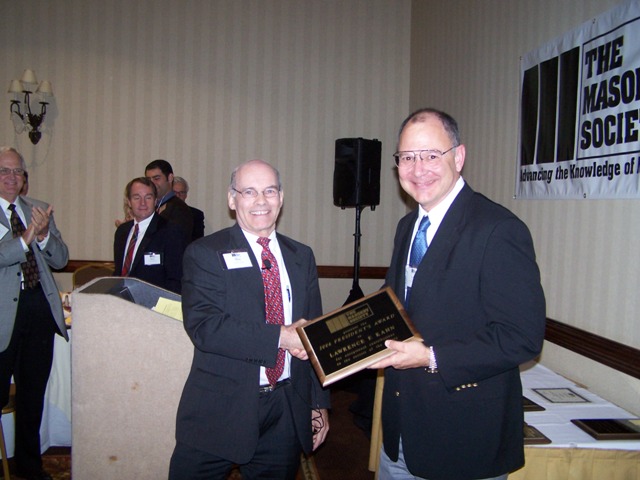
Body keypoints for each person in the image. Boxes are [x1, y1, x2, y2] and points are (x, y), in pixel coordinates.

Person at [370, 108, 546, 480]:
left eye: (432, 155)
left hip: (463, 440)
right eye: (407, 158)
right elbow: (399, 307)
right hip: (401, 434)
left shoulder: (498, 230)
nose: (419, 169)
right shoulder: (407, 226)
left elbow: (522, 337)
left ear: (459, 157)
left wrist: (431, 357)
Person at [169, 159, 330, 480]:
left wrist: (319, 402)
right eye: (249, 191)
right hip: (219, 407)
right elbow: (205, 327)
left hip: (285, 408)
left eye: (270, 191)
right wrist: (281, 337)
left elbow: (314, 334)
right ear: (232, 199)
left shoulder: (302, 256)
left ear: (281, 198)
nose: (261, 201)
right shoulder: (205, 253)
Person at [0, 147, 69, 480]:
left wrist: (42, 235)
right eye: (5, 171)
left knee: (32, 396)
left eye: (17, 172)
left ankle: (28, 466)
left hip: (39, 313)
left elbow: (60, 258)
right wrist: (27, 236)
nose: (12, 178)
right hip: (2, 320)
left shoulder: (38, 209)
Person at [113, 177, 187, 294]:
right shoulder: (122, 231)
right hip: (122, 304)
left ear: (156, 200)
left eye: (148, 197)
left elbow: (176, 279)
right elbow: (118, 273)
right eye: (137, 197)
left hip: (153, 306)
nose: (143, 203)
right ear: (129, 201)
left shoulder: (170, 231)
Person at [144, 159, 193, 243]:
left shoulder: (179, 208)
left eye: (156, 178)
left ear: (170, 178)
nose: (152, 183)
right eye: (149, 180)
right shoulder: (148, 206)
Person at [172, 175, 205, 241]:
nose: (178, 196)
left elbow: (197, 240)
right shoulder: (160, 211)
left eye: (181, 192)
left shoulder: (196, 215)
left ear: (186, 195)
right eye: (174, 192)